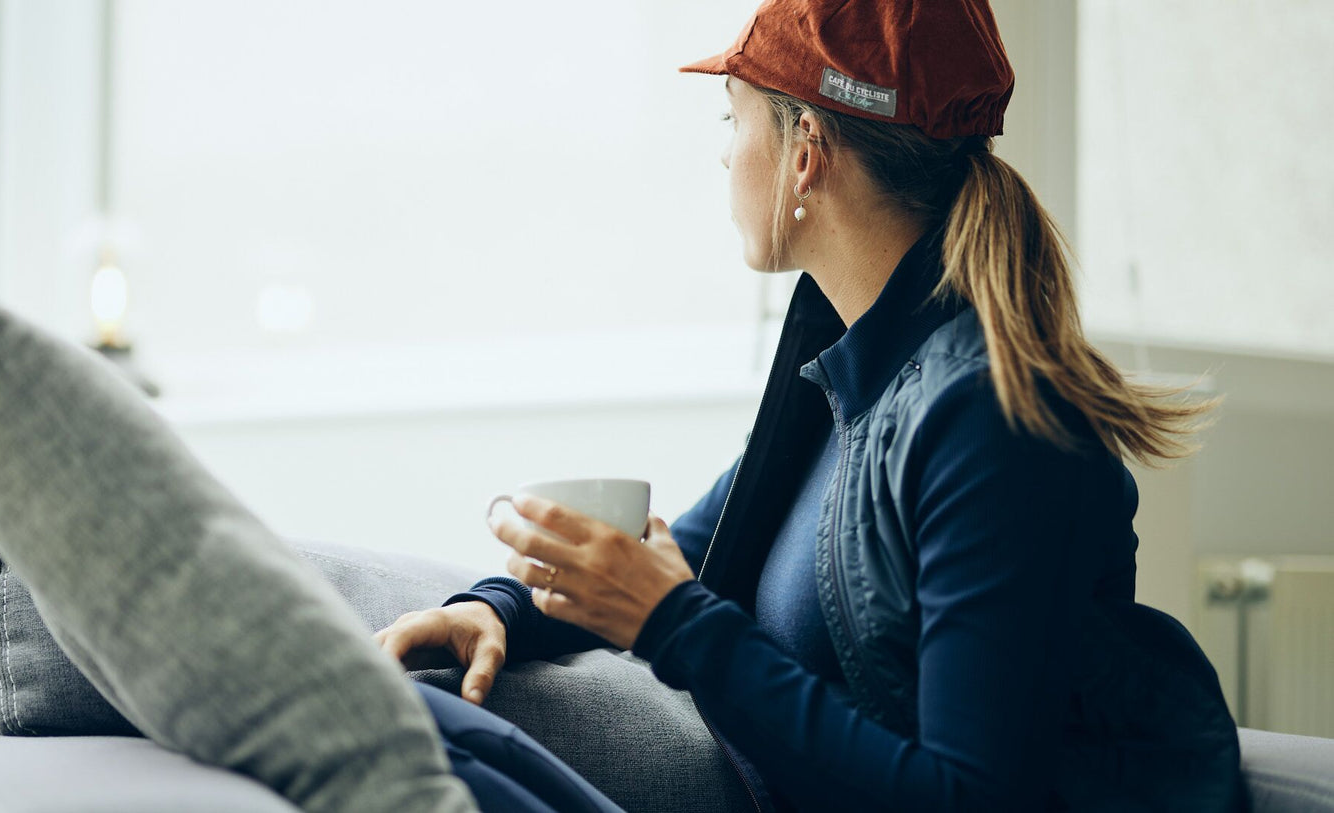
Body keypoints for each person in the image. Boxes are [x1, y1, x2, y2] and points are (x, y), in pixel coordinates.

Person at [372, 0, 1249, 810]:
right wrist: (495, 608)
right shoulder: (847, 368)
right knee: (403, 705)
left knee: (397, 733)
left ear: (804, 151)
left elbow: (972, 797)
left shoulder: (992, 421)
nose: (723, 153)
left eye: (732, 118)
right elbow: (677, 550)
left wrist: (677, 624)